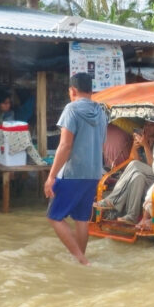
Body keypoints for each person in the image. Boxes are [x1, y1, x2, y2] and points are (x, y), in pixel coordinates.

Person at [44, 72, 107, 265]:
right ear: (91, 90)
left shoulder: (71, 109)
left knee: (54, 216)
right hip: (94, 172)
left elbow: (65, 146)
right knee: (81, 219)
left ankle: (80, 259)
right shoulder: (102, 111)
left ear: (72, 90)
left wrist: (51, 176)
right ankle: (81, 259)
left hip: (73, 173)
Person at [94, 121, 154, 224]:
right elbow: (133, 159)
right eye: (146, 125)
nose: (148, 128)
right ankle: (131, 216)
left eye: (152, 125)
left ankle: (112, 200)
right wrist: (135, 146)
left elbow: (153, 166)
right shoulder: (144, 140)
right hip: (144, 177)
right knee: (138, 176)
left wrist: (146, 147)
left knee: (135, 166)